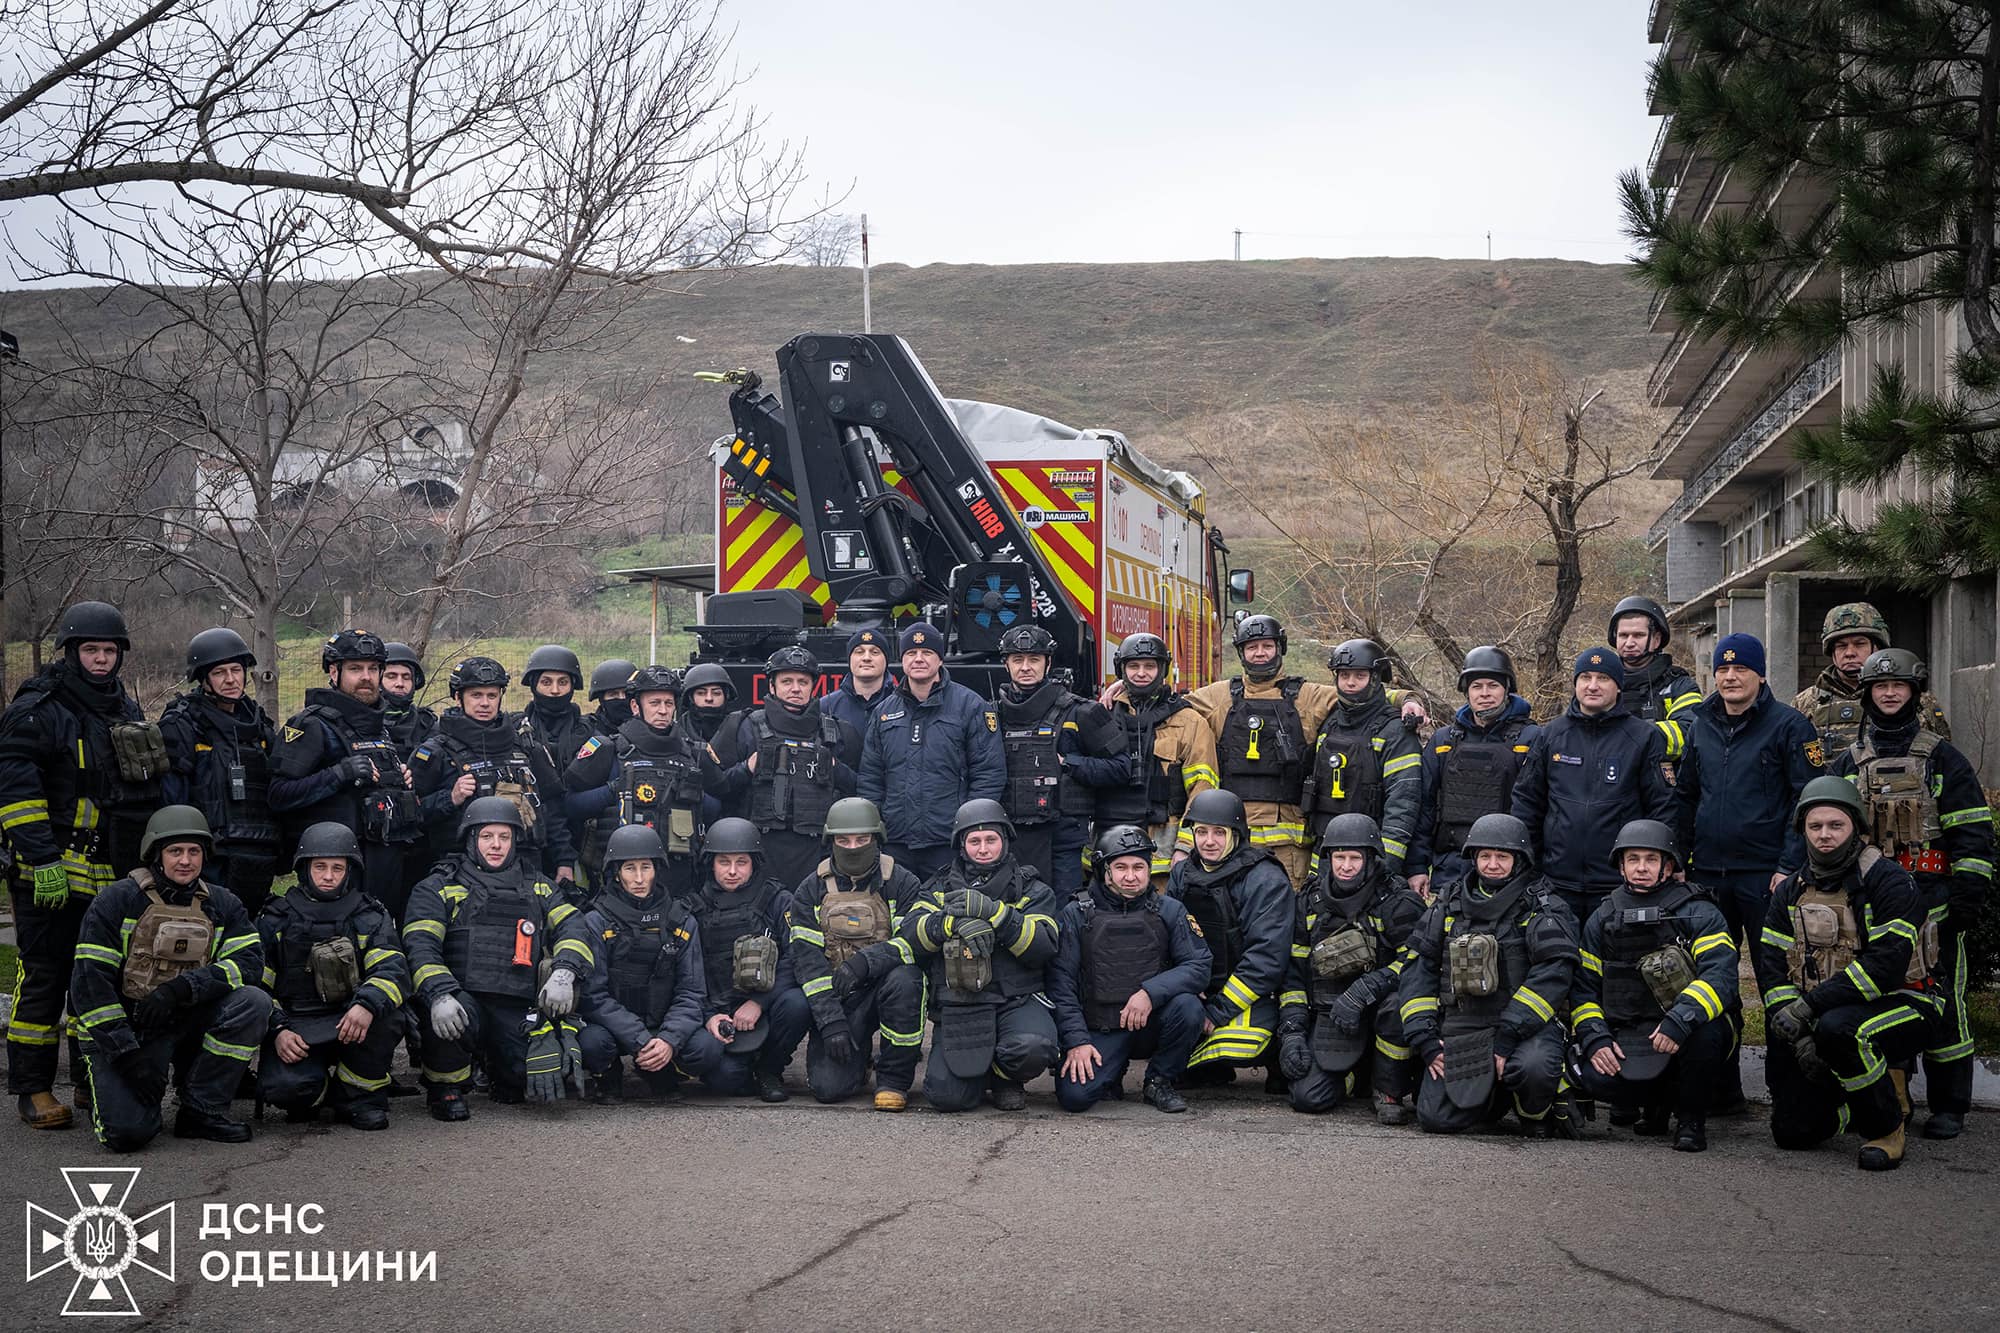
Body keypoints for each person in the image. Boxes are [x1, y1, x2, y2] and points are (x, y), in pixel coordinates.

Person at [2, 600, 165, 1130]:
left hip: (109, 871)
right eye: (90, 649)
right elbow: (16, 791)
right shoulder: (37, 708)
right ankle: (33, 1088)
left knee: (95, 980)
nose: (101, 658)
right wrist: (40, 857)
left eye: (109, 650)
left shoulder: (124, 709)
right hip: (45, 872)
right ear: (70, 653)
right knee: (45, 976)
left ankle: (88, 1081)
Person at [1827, 648, 1993, 1141]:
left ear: (1915, 692)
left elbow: (1973, 830)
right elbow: (1828, 831)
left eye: (1899, 686)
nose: (1890, 693)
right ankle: (1889, 1097)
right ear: (1868, 694)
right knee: (1878, 999)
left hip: (1934, 904)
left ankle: (1950, 1105)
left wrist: (1968, 892)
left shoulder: (1942, 757)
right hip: (1872, 906)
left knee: (1946, 1003)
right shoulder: (1850, 761)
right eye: (1881, 687)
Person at [1756, 777, 1942, 1171]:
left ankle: (1887, 1128)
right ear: (1803, 831)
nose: (1825, 835)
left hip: (1908, 1000)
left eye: (1835, 825)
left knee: (1841, 1030)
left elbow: (1885, 967)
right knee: (1792, 1134)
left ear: (1856, 828)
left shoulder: (1888, 881)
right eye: (1815, 826)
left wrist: (1808, 1010)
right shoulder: (1791, 889)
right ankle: (1853, 1107)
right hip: (1822, 1011)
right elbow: (1771, 965)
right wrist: (1794, 1025)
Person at [1673, 632, 1824, 1111]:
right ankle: (1723, 1089)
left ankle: (1787, 1091)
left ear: (1760, 675)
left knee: (1776, 981)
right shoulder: (1700, 724)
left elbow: (1808, 802)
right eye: (1722, 669)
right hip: (1708, 877)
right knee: (1715, 984)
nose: (1730, 677)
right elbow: (1685, 797)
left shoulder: (1790, 726)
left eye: (1741, 669)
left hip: (1767, 879)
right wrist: (1678, 859)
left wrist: (1788, 865)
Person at [69, 806, 270, 1150]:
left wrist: (182, 989)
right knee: (127, 1135)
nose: (185, 861)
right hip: (128, 1029)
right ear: (155, 854)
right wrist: (126, 1055)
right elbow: (89, 985)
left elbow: (249, 963)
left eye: (194, 852)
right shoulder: (117, 900)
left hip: (185, 1016)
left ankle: (202, 1110)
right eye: (175, 851)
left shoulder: (223, 903)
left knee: (253, 1002)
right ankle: (104, 1086)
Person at [402, 797, 594, 1120]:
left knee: (535, 1076)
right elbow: (420, 945)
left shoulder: (538, 886)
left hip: (515, 1003)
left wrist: (565, 973)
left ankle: (500, 1073)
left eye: (504, 837)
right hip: (461, 998)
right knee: (447, 1023)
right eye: (487, 837)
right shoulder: (440, 886)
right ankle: (445, 1089)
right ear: (471, 839)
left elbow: (573, 925)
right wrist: (438, 994)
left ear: (515, 841)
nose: (496, 845)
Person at [1398, 813, 1579, 1137]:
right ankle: (1494, 1098)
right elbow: (1419, 968)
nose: (1492, 864)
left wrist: (1510, 1033)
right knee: (1435, 1119)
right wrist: (1426, 1039)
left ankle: (1535, 1113)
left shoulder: (1540, 905)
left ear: (1519, 859)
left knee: (1534, 1067)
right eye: (1485, 856)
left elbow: (1554, 973)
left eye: (1502, 856)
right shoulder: (1448, 902)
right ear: (1473, 858)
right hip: (1463, 1024)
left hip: (1522, 1029)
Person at [1570, 820, 1736, 1152]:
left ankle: (1690, 1120)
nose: (1641, 868)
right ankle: (1655, 1104)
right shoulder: (1601, 918)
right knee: (1592, 1077)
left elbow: (1721, 977)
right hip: (1628, 1030)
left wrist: (1680, 1019)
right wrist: (1595, 1038)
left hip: (1682, 1031)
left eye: (1651, 859)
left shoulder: (1699, 912)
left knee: (1707, 1033)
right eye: (1633, 859)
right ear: (1621, 865)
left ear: (1668, 865)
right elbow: (1584, 990)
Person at [901, 799, 1062, 1111]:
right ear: (961, 845)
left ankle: (1004, 1076)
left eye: (991, 840)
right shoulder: (938, 887)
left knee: (1033, 1048)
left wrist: (997, 916)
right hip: (961, 1001)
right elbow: (910, 936)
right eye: (974, 841)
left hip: (1015, 1000)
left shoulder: (1032, 888)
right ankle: (976, 1075)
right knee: (947, 1097)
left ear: (1005, 841)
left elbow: (1043, 947)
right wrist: (951, 923)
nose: (984, 849)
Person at [254, 822, 410, 1130]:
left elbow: (393, 970)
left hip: (352, 1021)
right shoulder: (275, 918)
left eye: (337, 868)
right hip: (297, 1027)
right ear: (303, 869)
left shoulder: (369, 915)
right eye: (320, 867)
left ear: (350, 870)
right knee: (289, 1091)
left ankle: (357, 1096)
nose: (328, 876)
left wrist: (366, 1004)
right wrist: (277, 1031)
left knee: (390, 1014)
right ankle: (318, 1091)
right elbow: (256, 986)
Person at [1049, 824, 1211, 1114]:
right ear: (1105, 871)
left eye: (1139, 867)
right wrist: (1077, 1041)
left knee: (1188, 1007)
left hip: (1151, 1024)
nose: (1131, 876)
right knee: (1075, 1098)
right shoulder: (1076, 914)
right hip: (1100, 1027)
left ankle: (1159, 1081)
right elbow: (1061, 984)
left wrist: (1150, 993)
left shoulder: (1170, 910)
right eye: (1121, 867)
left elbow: (1199, 965)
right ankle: (1113, 1072)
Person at [1509, 646, 1674, 926]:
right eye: (1585, 677)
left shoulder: (1644, 737)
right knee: (1558, 961)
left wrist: (1668, 860)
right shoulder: (1551, 735)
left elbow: (1663, 807)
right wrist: (1527, 864)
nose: (1593, 686)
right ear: (1575, 683)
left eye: (1603, 678)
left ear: (1619, 686)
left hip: (1619, 883)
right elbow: (1527, 802)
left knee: (1613, 965)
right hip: (1556, 882)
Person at [1276, 814, 1425, 1122]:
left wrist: (1365, 989)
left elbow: (1417, 964)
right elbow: (1295, 974)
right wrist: (1292, 1032)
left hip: (1379, 1011)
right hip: (1331, 1014)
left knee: (1397, 1007)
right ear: (1327, 858)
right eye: (1339, 857)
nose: (1345, 866)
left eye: (1354, 858)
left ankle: (1388, 1090)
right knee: (1307, 1098)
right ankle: (1355, 1075)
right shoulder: (1310, 900)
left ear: (1371, 859)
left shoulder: (1398, 902)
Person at [269, 630, 423, 922]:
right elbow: (278, 795)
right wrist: (340, 773)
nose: (366, 677)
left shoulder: (379, 726)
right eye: (355, 669)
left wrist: (398, 780)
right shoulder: (311, 725)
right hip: (336, 873)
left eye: (373, 669)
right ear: (333, 671)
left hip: (385, 864)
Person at [785, 797, 927, 1109]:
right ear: (830, 841)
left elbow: (912, 945)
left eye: (862, 839)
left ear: (877, 839)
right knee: (828, 1089)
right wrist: (831, 1021)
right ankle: (858, 1058)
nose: (853, 847)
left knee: (908, 980)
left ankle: (893, 1079)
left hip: (883, 987)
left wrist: (866, 963)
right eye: (843, 840)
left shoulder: (903, 882)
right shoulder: (810, 889)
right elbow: (807, 964)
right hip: (839, 995)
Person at [1185, 615, 1333, 887]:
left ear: (1280, 647)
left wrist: (1407, 701)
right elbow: (1170, 707)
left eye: (1267, 645)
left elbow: (1358, 694)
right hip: (1233, 840)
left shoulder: (1308, 697)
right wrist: (1123, 689)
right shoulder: (1219, 697)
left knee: (1289, 913)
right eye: (1252, 647)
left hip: (1289, 845)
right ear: (1241, 652)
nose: (1260, 653)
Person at [410, 655, 576, 887]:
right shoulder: (435, 751)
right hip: (460, 873)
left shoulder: (526, 746)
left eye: (492, 695)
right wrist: (450, 798)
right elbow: (410, 817)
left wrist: (564, 861)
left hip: (526, 868)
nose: (485, 703)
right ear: (458, 697)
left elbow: (553, 811)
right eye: (476, 695)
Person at [857, 622, 1006, 880]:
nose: (918, 659)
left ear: (939, 660)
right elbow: (871, 778)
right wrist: (876, 828)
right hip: (896, 841)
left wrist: (970, 828)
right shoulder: (883, 713)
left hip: (948, 842)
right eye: (911, 654)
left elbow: (988, 773)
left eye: (926, 653)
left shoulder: (970, 706)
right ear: (902, 661)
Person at [1165, 788, 1294, 1085]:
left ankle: (1274, 1056)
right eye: (1202, 832)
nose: (1209, 842)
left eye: (1219, 833)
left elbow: (1266, 960)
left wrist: (1217, 1011)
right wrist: (1182, 985)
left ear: (1236, 834)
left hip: (1249, 993)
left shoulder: (1264, 878)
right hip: (1200, 987)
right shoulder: (1182, 874)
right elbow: (1168, 940)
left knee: (1244, 1044)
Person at [707, 646, 862, 890]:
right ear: (772, 686)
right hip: (757, 852)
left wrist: (835, 769)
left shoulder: (838, 732)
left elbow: (861, 790)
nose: (795, 688)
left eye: (803, 681)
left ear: (814, 687)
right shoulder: (743, 726)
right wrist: (746, 769)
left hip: (818, 854)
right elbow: (715, 789)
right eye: (787, 681)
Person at [676, 818, 808, 1102]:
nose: (733, 871)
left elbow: (797, 958)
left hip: (766, 1006)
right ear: (711, 863)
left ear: (754, 863)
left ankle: (769, 1070)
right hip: (717, 1012)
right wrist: (709, 1016)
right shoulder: (692, 908)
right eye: (724, 862)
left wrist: (759, 1003)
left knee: (798, 1003)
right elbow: (686, 974)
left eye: (741, 862)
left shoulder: (777, 899)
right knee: (726, 1080)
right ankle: (743, 1067)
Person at [990, 623, 1128, 891]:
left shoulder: (1082, 712)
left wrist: (1072, 765)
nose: (1025, 667)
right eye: (1017, 659)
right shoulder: (991, 715)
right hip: (1008, 839)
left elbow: (1122, 768)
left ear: (1048, 662)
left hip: (1063, 843)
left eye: (1034, 659)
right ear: (1006, 664)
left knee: (1063, 918)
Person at [575, 823, 706, 1103]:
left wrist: (669, 1040)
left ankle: (659, 1068)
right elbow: (593, 996)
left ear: (657, 869)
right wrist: (639, 1039)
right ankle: (608, 1074)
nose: (638, 878)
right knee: (591, 1043)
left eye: (645, 867)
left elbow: (692, 993)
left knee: (705, 1050)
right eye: (629, 868)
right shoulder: (596, 921)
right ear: (616, 873)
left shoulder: (682, 920)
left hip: (661, 1024)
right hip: (614, 1029)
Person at [160, 628, 284, 919]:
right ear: (204, 679)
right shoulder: (183, 724)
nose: (231, 680)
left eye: (236, 670)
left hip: (259, 852)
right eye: (220, 672)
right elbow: (172, 802)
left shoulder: (259, 724)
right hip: (210, 857)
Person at [564, 665, 708, 900]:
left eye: (668, 703)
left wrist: (694, 792)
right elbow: (570, 806)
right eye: (654, 703)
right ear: (635, 706)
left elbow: (717, 807)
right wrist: (613, 791)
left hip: (679, 876)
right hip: (620, 878)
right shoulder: (610, 749)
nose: (663, 711)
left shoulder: (691, 753)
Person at [1407, 645, 1540, 900]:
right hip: (1450, 866)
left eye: (1493, 685)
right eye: (1477, 686)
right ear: (1466, 691)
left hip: (1508, 868)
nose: (1485, 693)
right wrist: (1416, 866)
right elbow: (1423, 807)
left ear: (1507, 689)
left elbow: (1537, 812)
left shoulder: (1532, 738)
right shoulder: (1443, 740)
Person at [1093, 632, 1218, 881]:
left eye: (1150, 666)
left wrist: (1185, 847)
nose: (1141, 673)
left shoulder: (1189, 722)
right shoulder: (1101, 714)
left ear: (1162, 669)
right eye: (1133, 666)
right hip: (1108, 852)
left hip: (1164, 857)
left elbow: (1203, 791)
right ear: (1121, 670)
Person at [1299, 639, 1421, 870]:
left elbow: (1403, 803)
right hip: (1324, 855)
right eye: (1344, 675)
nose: (1351, 683)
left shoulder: (1395, 731)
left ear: (1375, 679)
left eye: (1359, 676)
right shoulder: (1328, 721)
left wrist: (1385, 865)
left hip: (1369, 858)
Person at [1796, 602, 1950, 752]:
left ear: (1878, 647)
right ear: (1832, 653)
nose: (1849, 653)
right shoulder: (1806, 703)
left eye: (1859, 644)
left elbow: (1943, 758)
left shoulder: (1915, 700)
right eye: (1841, 646)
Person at [1606, 595, 1703, 763]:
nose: (1629, 643)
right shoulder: (1601, 683)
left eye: (1638, 635)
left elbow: (1689, 732)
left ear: (1656, 639)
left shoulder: (1679, 685)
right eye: (1623, 635)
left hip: (1662, 785)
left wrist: (1628, 735)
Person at [517, 644, 594, 777]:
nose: (555, 690)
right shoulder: (516, 728)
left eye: (563, 683)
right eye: (546, 682)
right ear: (534, 685)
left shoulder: (588, 729)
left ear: (572, 686)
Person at [819, 628, 896, 733]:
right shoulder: (826, 706)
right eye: (859, 652)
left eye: (875, 652)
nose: (866, 658)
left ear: (886, 660)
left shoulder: (902, 704)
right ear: (849, 659)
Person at [379, 642, 437, 762]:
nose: (400, 683)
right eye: (391, 676)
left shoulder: (429, 726)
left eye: (406, 677)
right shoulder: (362, 724)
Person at [677, 662, 740, 746]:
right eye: (701, 693)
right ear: (690, 697)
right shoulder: (675, 733)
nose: (709, 698)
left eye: (716, 693)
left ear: (726, 696)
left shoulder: (740, 730)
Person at [584, 658, 638, 737]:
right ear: (601, 700)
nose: (622, 698)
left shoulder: (650, 727)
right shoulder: (587, 730)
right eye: (613, 694)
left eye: (627, 693)